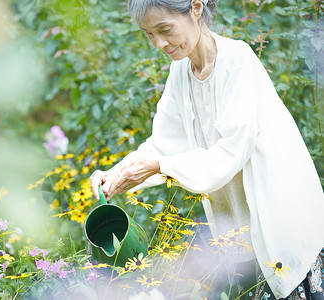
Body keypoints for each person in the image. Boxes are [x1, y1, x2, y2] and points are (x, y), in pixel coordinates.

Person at [89, 0, 324, 299]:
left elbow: (230, 154)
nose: (159, 43)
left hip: (278, 215)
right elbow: (163, 144)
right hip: (238, 231)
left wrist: (158, 165)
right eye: (149, 34)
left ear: (196, 8)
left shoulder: (237, 61)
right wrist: (117, 173)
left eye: (165, 29)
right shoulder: (181, 72)